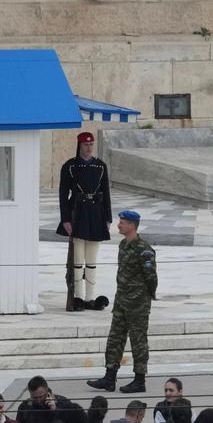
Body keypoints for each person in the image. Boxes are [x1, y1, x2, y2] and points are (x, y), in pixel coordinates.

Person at [89, 210, 158, 394]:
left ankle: (139, 379)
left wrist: (145, 297)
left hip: (137, 303)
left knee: (138, 341)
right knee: (115, 339)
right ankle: (110, 377)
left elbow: (151, 278)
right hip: (121, 301)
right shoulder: (123, 245)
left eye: (123, 222)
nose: (119, 225)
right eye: (120, 221)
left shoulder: (144, 249)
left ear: (132, 226)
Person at [58, 130, 112, 312]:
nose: (89, 148)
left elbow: (106, 194)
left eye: (91, 145)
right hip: (78, 212)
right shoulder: (70, 167)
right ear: (79, 146)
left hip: (96, 212)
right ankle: (78, 297)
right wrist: (65, 218)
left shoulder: (101, 166)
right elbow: (63, 194)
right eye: (85, 145)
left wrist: (108, 218)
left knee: (92, 259)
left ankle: (90, 297)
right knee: (77, 259)